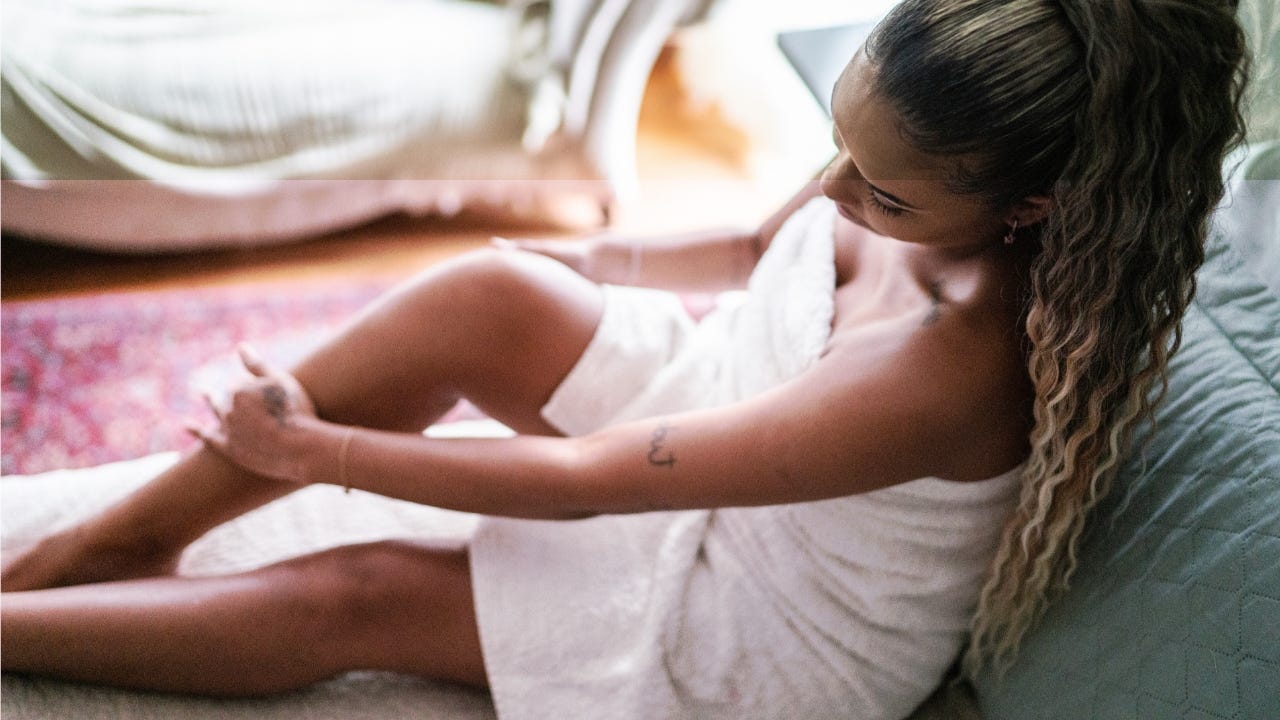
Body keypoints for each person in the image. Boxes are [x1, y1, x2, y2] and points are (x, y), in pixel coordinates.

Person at [0, 1, 1249, 717]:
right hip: (724, 404)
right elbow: (751, 241)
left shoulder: (944, 367)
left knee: (362, 591)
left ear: (1027, 209)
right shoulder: (898, 186)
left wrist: (319, 451)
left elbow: (608, 477)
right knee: (490, 293)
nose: (829, 187)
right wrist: (589, 263)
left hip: (766, 619)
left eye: (878, 188)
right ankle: (116, 546)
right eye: (835, 144)